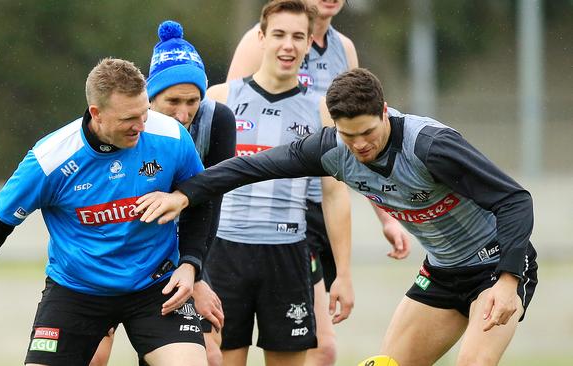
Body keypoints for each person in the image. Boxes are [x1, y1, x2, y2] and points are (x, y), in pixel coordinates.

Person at [135, 68, 539, 366]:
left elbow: (515, 201)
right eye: (349, 136)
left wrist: (508, 282)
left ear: (384, 112)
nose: (360, 145)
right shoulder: (331, 150)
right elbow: (250, 167)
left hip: (496, 265)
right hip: (443, 271)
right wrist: (185, 196)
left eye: (368, 132)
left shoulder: (430, 146)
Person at [0, 58, 213, 366]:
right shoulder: (50, 160)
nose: (142, 126)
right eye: (130, 118)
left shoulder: (169, 135)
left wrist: (190, 264)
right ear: (96, 113)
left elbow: (200, 198)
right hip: (77, 292)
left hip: (156, 286)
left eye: (144, 113)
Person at [90, 21, 236, 366]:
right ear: (149, 100)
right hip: (116, 250)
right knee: (93, 356)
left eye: (193, 101)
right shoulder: (122, 126)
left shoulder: (217, 122)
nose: (183, 113)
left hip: (188, 246)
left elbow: (209, 201)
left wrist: (194, 273)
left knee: (211, 354)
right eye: (172, 101)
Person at [227, 2, 365, 364]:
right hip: (227, 254)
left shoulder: (321, 111)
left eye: (297, 37)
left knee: (320, 351)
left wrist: (345, 275)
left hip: (289, 253)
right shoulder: (221, 100)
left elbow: (335, 193)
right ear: (261, 38)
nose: (288, 45)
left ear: (308, 44)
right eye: (279, 35)